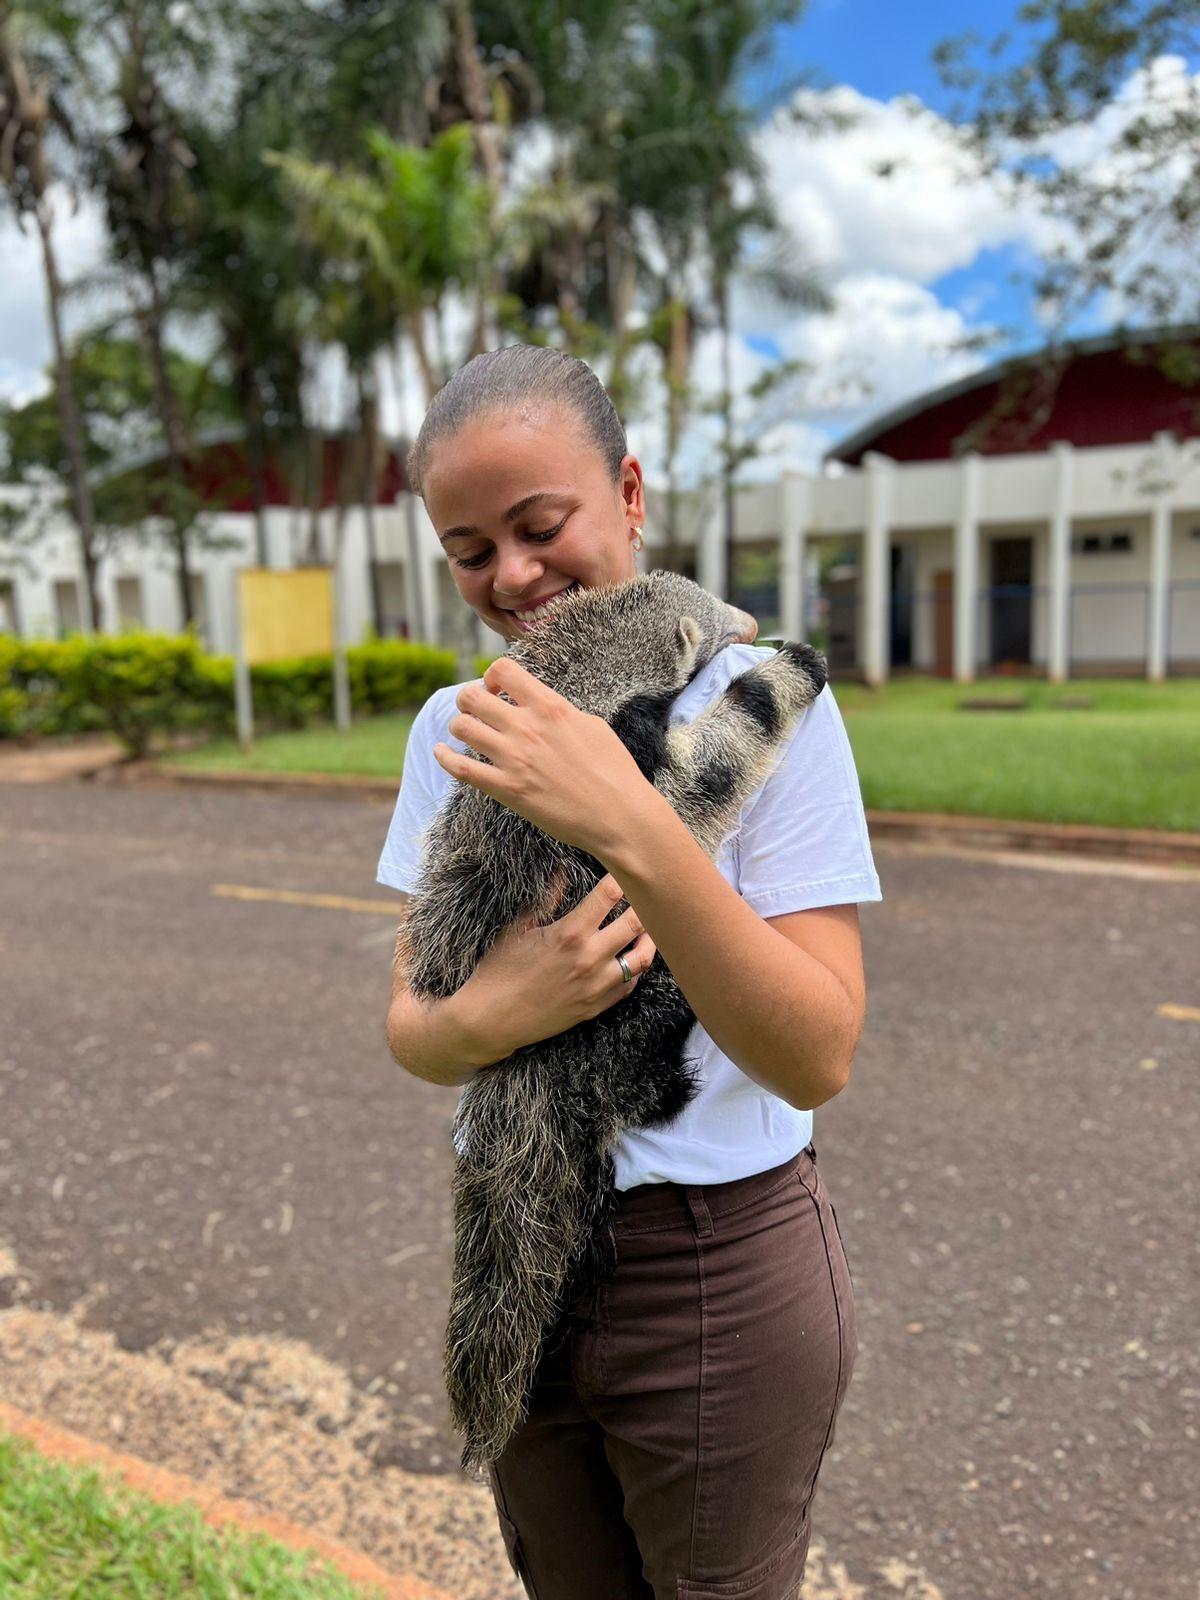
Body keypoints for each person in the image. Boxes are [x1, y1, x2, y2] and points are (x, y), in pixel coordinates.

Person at [377, 344, 882, 1600]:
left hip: (715, 1267)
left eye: (541, 525)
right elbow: (412, 1022)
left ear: (630, 492)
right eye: (470, 550)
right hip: (519, 1236)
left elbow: (817, 1051)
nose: (514, 574)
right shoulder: (454, 728)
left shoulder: (766, 708)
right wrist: (502, 1008)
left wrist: (628, 819)